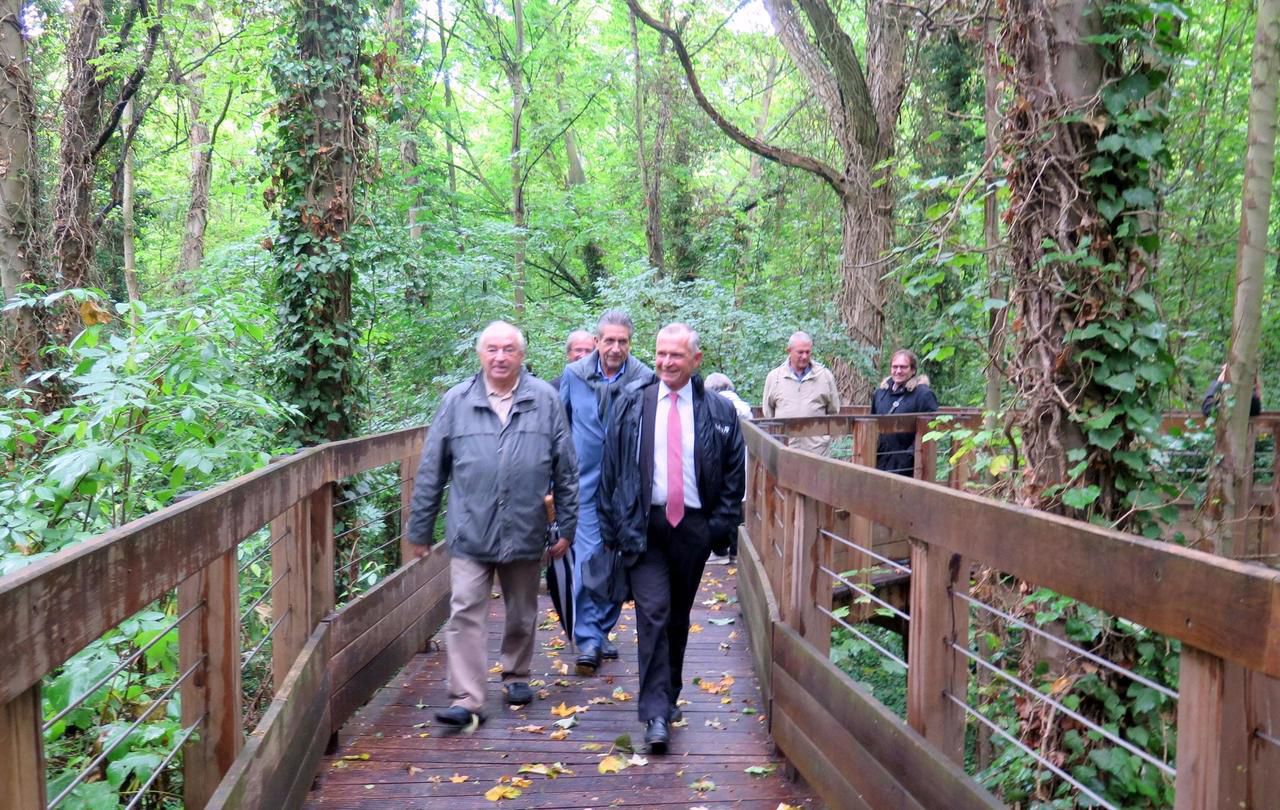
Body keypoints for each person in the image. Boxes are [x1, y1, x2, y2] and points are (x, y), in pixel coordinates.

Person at [407, 321, 579, 732]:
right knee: (465, 609)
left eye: (508, 350)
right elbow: (432, 468)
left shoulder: (545, 400)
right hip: (470, 527)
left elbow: (567, 469)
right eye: (492, 349)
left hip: (525, 525)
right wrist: (420, 528)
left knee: (521, 609)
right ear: (480, 354)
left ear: (521, 355)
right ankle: (467, 699)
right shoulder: (456, 401)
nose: (499, 357)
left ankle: (516, 674)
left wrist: (568, 525)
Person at [599, 323, 745, 753]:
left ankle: (670, 694)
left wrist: (718, 527)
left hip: (694, 528)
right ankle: (655, 715)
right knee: (653, 612)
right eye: (660, 354)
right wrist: (612, 528)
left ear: (696, 360)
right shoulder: (631, 402)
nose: (665, 362)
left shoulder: (719, 411)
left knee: (678, 615)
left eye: (676, 356)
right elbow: (611, 469)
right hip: (644, 527)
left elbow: (734, 473)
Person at [559, 310, 653, 676]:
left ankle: (602, 628)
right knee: (587, 559)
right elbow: (561, 428)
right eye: (608, 340)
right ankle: (587, 639)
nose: (615, 348)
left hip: (626, 488)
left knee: (616, 560)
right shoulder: (575, 375)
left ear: (630, 342)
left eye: (622, 341)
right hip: (583, 485)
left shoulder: (643, 378)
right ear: (597, 341)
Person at [761, 331, 841, 455]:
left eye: (807, 352)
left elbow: (833, 410)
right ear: (789, 351)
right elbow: (768, 412)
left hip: (817, 451)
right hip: (785, 450)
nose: (804, 356)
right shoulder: (774, 377)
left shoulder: (824, 376)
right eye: (800, 352)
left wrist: (824, 438)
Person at [703, 373, 751, 565]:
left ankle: (719, 550)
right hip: (744, 463)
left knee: (721, 502)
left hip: (721, 464)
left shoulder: (716, 407)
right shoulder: (744, 408)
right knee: (737, 504)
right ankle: (736, 550)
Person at [870, 349, 938, 476]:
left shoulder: (923, 394)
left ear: (913, 370)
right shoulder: (880, 393)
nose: (898, 371)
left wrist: (909, 456)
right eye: (895, 367)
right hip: (880, 460)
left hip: (910, 466)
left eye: (903, 367)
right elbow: (872, 425)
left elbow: (930, 430)